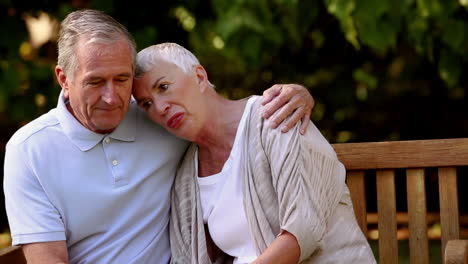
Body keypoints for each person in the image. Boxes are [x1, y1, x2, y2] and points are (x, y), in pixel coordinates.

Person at [3, 9, 315, 264]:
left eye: (122, 79)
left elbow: (225, 117)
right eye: (95, 82)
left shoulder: (161, 118)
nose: (112, 98)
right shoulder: (29, 151)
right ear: (64, 79)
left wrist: (295, 94)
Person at [133, 42, 376, 264]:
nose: (160, 108)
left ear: (199, 77)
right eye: (146, 104)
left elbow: (302, 232)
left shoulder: (277, 117)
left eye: (164, 87)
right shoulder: (187, 174)